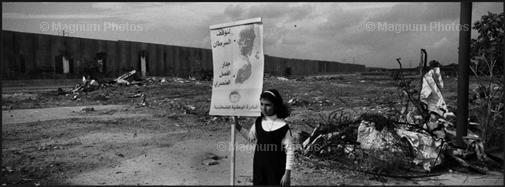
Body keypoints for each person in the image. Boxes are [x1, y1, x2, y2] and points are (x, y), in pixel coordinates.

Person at [234, 89, 294, 186]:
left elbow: (290, 151)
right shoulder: (258, 122)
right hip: (259, 168)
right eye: (261, 104)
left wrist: (287, 174)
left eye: (268, 105)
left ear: (276, 105)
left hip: (277, 170)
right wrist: (238, 126)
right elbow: (251, 137)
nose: (264, 108)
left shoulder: (283, 127)